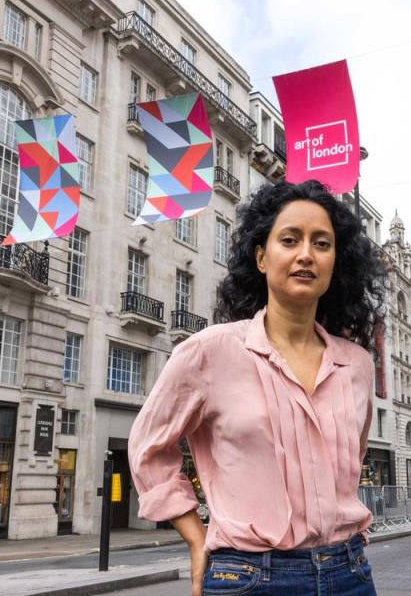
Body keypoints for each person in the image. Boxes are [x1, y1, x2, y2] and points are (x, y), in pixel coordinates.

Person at [129, 180, 385, 596]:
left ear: (336, 262)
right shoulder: (210, 351)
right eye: (290, 240)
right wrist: (197, 539)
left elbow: (350, 465)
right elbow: (147, 448)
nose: (306, 254)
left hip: (349, 573)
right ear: (262, 257)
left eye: (322, 243)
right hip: (249, 576)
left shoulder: (356, 364)